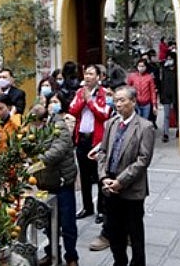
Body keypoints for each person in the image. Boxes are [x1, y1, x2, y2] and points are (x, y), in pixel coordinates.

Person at [97, 85, 155, 266]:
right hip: (110, 185)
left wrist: (120, 181)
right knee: (114, 231)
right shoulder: (111, 123)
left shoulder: (145, 127)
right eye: (116, 101)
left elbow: (143, 160)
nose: (118, 104)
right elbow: (102, 152)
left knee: (135, 232)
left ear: (133, 102)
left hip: (131, 188)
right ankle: (119, 261)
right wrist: (103, 177)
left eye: (122, 100)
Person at [31, 99, 78, 266]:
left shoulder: (60, 127)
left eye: (36, 124)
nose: (34, 128)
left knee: (67, 223)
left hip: (62, 181)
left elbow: (56, 151)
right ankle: (52, 253)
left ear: (44, 121)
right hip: (45, 183)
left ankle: (71, 257)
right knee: (49, 223)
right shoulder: (34, 127)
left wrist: (35, 163)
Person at [69, 64, 110, 223]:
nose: (87, 77)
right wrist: (83, 99)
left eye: (91, 74)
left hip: (97, 140)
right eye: (86, 74)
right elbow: (72, 110)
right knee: (84, 176)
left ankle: (102, 209)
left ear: (99, 77)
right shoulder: (79, 92)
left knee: (99, 175)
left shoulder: (105, 94)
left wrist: (90, 101)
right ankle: (87, 207)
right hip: (82, 138)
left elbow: (104, 114)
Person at [158, 51, 177, 143]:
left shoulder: (177, 70)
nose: (169, 60)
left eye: (171, 58)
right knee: (166, 115)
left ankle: (179, 130)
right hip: (166, 96)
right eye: (168, 58)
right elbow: (161, 84)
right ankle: (166, 133)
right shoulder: (164, 70)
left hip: (176, 96)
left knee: (178, 114)